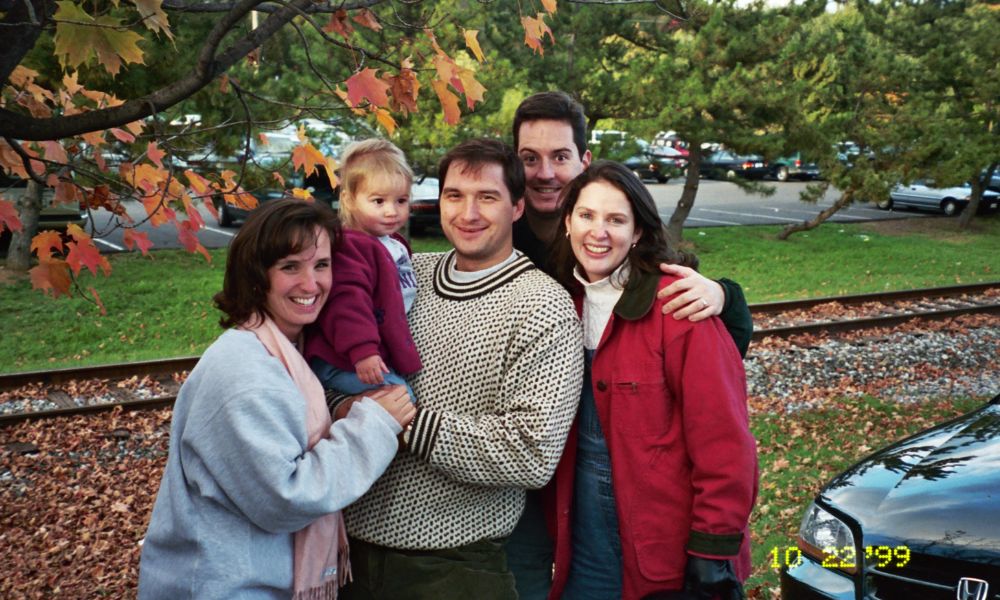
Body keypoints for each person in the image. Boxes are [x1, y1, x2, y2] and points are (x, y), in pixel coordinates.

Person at [508, 90, 754, 598]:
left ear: (639, 231)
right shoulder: (562, 300)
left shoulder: (677, 306)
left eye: (616, 220)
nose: (599, 232)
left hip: (662, 553)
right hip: (583, 543)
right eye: (587, 217)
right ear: (569, 222)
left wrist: (713, 550)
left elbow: (725, 442)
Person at [334, 139, 584, 600]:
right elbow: (329, 359)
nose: (467, 212)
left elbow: (531, 454)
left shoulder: (543, 307)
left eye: (487, 197)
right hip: (347, 555)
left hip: (454, 568)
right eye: (454, 195)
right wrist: (346, 402)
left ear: (517, 208)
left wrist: (405, 420)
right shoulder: (406, 271)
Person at [137, 199, 416, 600]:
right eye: (290, 267)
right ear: (256, 276)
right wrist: (374, 423)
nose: (311, 284)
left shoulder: (288, 351)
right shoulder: (246, 371)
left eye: (321, 265)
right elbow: (284, 497)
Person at [305, 139, 421, 402]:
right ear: (349, 199)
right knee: (401, 398)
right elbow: (347, 302)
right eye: (378, 201)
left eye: (401, 200)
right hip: (343, 358)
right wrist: (363, 350)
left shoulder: (394, 244)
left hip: (371, 355)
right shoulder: (351, 247)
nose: (392, 211)